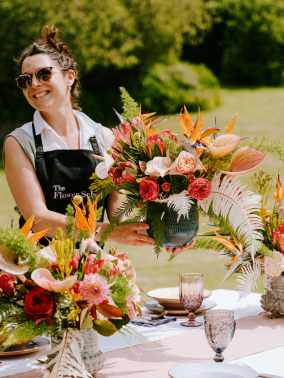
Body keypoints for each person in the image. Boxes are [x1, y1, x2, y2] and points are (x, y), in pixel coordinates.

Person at [3, 26, 192, 256]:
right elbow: (38, 220)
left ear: (69, 77)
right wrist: (105, 232)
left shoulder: (105, 138)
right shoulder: (20, 142)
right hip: (38, 275)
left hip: (94, 275)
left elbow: (119, 215)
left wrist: (168, 232)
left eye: (43, 74)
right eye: (26, 80)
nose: (34, 84)